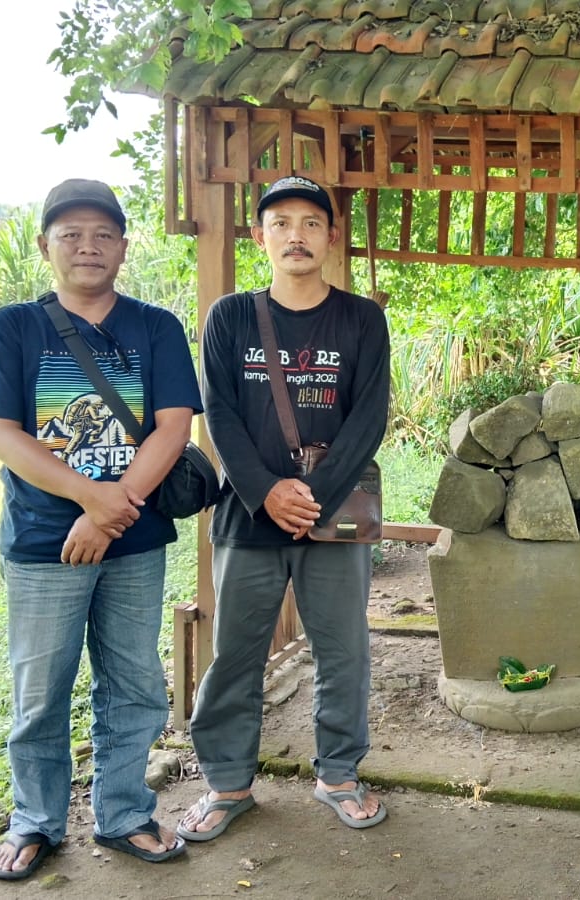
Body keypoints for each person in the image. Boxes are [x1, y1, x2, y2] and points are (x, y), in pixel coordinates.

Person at [0, 178, 201, 879]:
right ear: (46, 246)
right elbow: (1, 435)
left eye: (103, 235)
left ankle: (124, 814)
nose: (88, 247)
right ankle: (35, 820)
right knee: (40, 692)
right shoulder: (12, 329)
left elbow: (174, 428)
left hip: (135, 541)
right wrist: (92, 500)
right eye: (71, 235)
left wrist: (111, 510)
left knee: (135, 685)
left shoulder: (155, 328)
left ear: (123, 247)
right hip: (42, 543)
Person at [177, 175, 391, 841]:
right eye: (281, 223)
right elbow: (220, 414)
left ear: (331, 237)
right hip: (248, 517)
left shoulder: (361, 319)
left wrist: (313, 497)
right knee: (235, 654)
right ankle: (227, 783)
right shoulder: (230, 317)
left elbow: (368, 417)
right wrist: (267, 491)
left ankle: (339, 775)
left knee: (343, 650)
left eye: (310, 223)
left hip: (337, 515)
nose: (296, 235)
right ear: (259, 236)